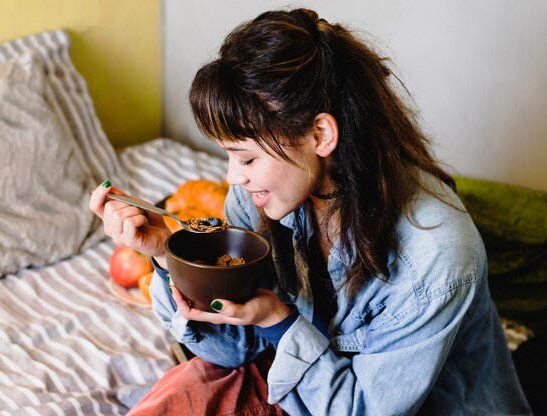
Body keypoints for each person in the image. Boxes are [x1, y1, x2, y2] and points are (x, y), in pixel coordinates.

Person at [90, 8, 531, 415]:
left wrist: (280, 325)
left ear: (320, 134)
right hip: (303, 379)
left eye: (245, 158)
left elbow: (361, 409)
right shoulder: (261, 196)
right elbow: (233, 348)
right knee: (181, 394)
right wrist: (168, 254)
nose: (233, 178)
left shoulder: (434, 256)